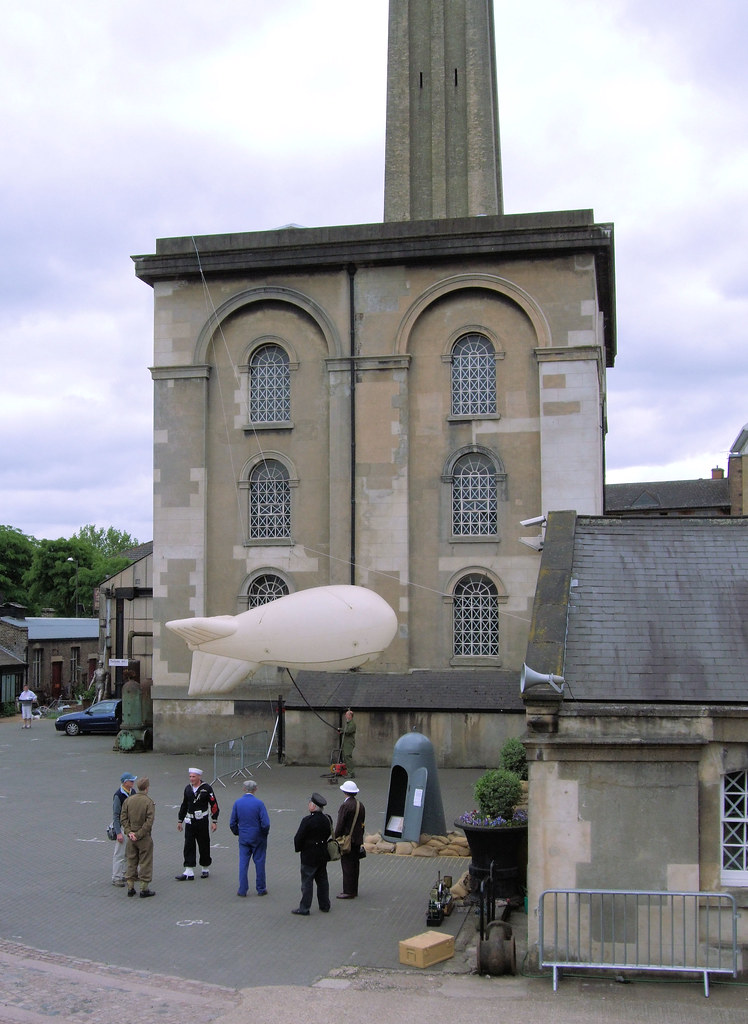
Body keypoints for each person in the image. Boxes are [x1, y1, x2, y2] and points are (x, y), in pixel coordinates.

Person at [291, 792, 332, 916]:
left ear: (313, 806)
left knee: (307, 882)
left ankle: (304, 908)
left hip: (309, 855)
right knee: (322, 880)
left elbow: (299, 837)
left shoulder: (307, 820)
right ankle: (325, 905)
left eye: (310, 803)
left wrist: (298, 848)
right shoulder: (327, 819)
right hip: (322, 854)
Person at [175, 767, 219, 880]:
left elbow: (214, 805)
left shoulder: (207, 789)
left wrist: (214, 821)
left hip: (202, 821)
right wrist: (180, 820)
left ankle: (205, 867)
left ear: (199, 777)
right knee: (189, 844)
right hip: (190, 821)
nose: (191, 779)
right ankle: (189, 870)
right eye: (190, 776)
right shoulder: (187, 789)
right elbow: (184, 804)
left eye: (193, 777)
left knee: (204, 843)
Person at [229, 779, 270, 897]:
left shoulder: (238, 803)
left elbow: (232, 822)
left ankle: (242, 890)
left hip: (244, 837)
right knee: (260, 862)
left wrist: (238, 832)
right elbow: (266, 823)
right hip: (258, 837)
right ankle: (261, 888)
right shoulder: (259, 804)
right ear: (255, 789)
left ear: (243, 789)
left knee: (243, 863)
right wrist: (263, 834)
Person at [120, 776, 156, 898]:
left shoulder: (129, 800)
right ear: (147, 788)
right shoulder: (148, 802)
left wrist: (129, 832)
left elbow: (123, 818)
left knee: (131, 861)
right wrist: (139, 834)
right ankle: (144, 889)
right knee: (145, 862)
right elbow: (149, 822)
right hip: (144, 837)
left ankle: (130, 887)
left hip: (131, 837)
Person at [335, 779, 365, 899]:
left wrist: (335, 837)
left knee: (347, 865)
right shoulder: (360, 805)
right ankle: (354, 889)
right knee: (355, 865)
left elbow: (340, 824)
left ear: (345, 792)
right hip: (357, 840)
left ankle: (348, 891)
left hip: (348, 840)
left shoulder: (345, 806)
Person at [112, 772, 138, 887]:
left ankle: (125, 874)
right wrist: (118, 833)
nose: (133, 782)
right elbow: (116, 815)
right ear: (125, 782)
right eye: (131, 781)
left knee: (130, 852)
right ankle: (116, 877)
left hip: (131, 827)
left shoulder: (132, 792)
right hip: (122, 827)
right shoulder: (118, 795)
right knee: (119, 854)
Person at [337, 709, 356, 778]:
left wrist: (341, 730)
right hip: (346, 743)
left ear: (350, 716)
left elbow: (348, 731)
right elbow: (346, 731)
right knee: (345, 757)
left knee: (348, 757)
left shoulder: (352, 724)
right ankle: (348, 772)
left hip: (349, 743)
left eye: (347, 714)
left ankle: (351, 773)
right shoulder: (348, 723)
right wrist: (341, 731)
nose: (345, 715)